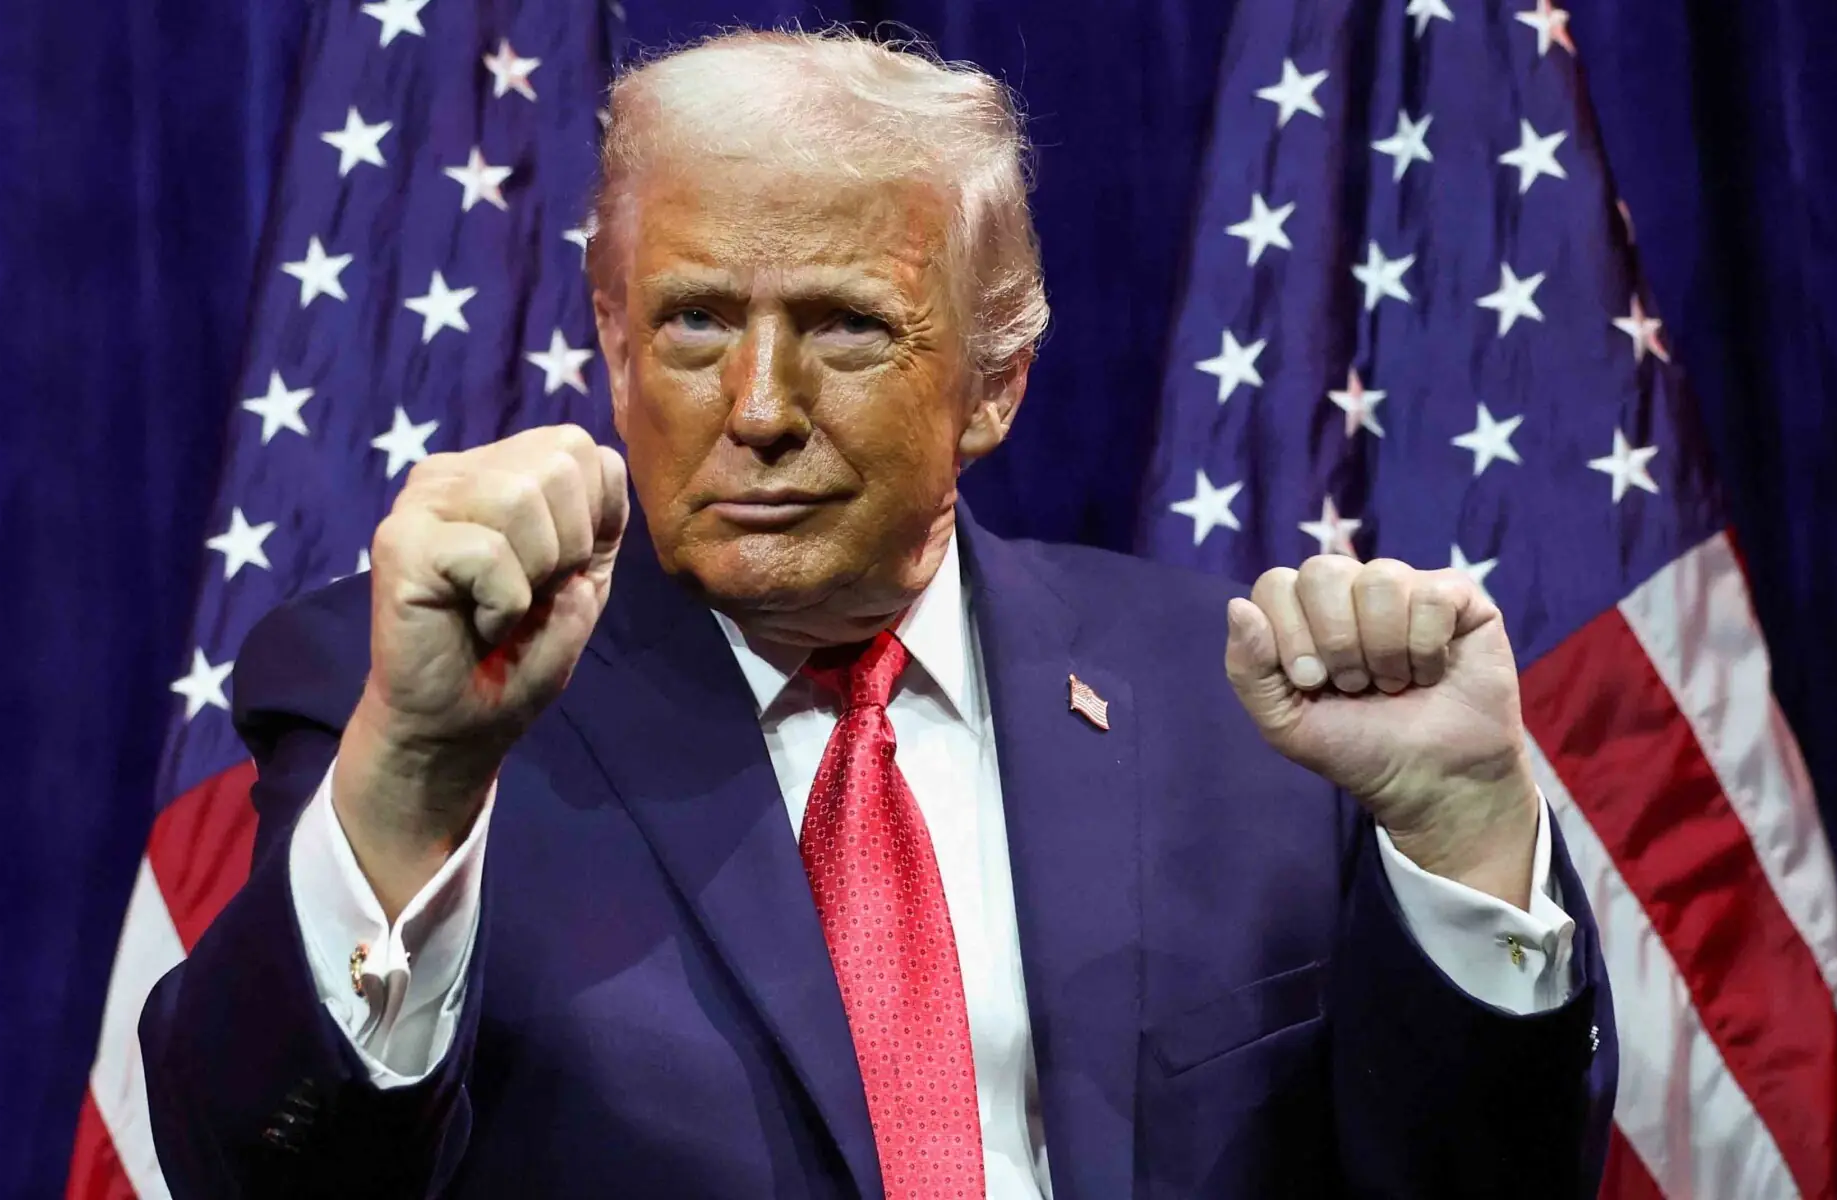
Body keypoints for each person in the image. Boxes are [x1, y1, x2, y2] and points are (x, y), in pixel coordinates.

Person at [140, 28, 1616, 1199]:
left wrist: (1467, 840)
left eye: (844, 326)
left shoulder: (1249, 713)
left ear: (995, 382)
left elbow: (1486, 1179)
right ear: (612, 341)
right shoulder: (413, 692)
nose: (757, 409)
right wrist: (413, 775)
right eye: (695, 320)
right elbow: (267, 1172)